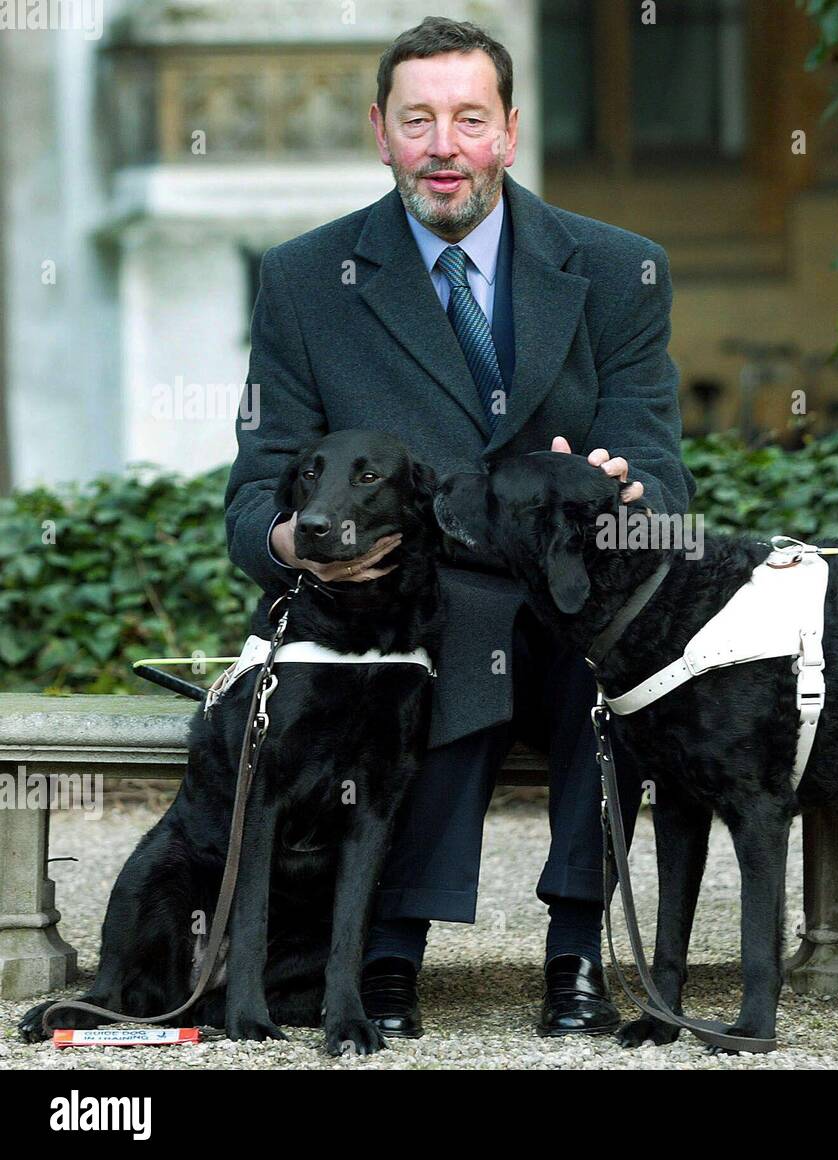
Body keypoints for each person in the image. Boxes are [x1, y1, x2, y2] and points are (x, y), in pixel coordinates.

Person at [224, 16, 694, 1039]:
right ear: (380, 134)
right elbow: (256, 496)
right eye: (418, 120)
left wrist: (623, 495)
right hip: (399, 607)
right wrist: (302, 546)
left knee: (606, 650)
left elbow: (659, 475)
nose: (444, 146)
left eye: (468, 119)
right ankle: (388, 951)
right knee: (444, 637)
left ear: (510, 133)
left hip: (570, 602)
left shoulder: (619, 271)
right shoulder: (306, 281)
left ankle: (577, 950)